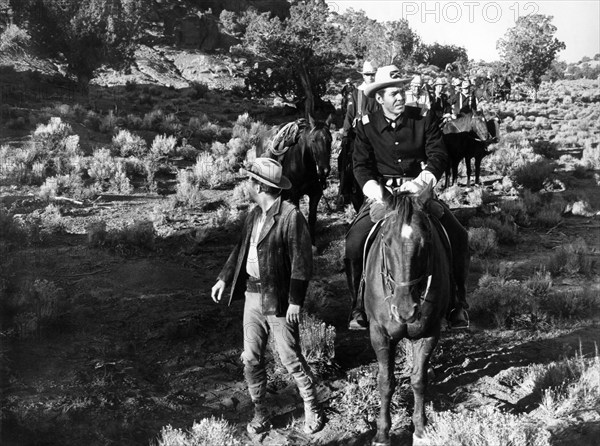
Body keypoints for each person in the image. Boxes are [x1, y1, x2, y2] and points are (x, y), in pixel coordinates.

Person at [344, 65, 470, 331]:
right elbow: (360, 164)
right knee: (355, 243)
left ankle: (458, 301)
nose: (400, 97)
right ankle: (357, 305)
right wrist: (372, 188)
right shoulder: (366, 126)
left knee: (458, 236)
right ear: (379, 98)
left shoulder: (423, 118)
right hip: (384, 196)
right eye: (393, 93)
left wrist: (420, 182)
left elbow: (438, 155)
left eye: (401, 91)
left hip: (418, 193)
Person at [211, 158, 324, 436]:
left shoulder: (290, 216)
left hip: (280, 299)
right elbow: (240, 249)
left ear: (260, 186)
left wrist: (296, 300)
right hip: (252, 295)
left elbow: (301, 261)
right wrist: (224, 278)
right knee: (250, 357)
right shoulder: (253, 215)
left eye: (251, 180)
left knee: (290, 358)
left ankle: (312, 406)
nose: (247, 185)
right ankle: (260, 411)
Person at [338, 61, 381, 211]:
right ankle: (344, 192)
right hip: (358, 135)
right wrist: (345, 133)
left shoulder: (379, 93)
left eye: (373, 74)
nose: (370, 77)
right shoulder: (357, 93)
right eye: (368, 75)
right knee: (343, 159)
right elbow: (349, 116)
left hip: (376, 134)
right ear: (363, 76)